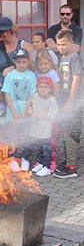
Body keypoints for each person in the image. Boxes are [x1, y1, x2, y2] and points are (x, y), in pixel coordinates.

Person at [52, 29, 82, 179]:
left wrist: (70, 102)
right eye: (58, 44)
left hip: (73, 101)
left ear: (71, 43)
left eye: (64, 44)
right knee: (64, 131)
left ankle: (71, 167)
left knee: (70, 133)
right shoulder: (62, 58)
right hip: (63, 101)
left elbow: (76, 79)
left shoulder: (74, 57)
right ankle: (67, 162)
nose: (61, 47)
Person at [21, 76, 59, 177]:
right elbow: (30, 105)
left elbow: (52, 115)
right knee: (37, 148)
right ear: (37, 88)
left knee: (46, 150)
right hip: (34, 130)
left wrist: (38, 116)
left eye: (45, 87)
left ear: (50, 89)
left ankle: (47, 167)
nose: (42, 89)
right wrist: (29, 110)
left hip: (46, 131)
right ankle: (40, 164)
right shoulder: (34, 96)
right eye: (40, 86)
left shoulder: (52, 100)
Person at [0, 17, 33, 84]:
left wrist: (14, 69)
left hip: (20, 82)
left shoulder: (23, 45)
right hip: (2, 83)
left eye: (6, 31)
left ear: (12, 30)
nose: (4, 34)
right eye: (2, 32)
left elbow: (30, 66)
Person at [1, 48, 37, 120]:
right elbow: (7, 94)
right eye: (19, 62)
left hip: (26, 112)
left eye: (24, 62)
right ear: (14, 61)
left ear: (28, 61)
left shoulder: (32, 75)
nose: (22, 65)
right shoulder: (10, 75)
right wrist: (14, 112)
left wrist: (24, 112)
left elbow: (32, 94)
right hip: (12, 112)